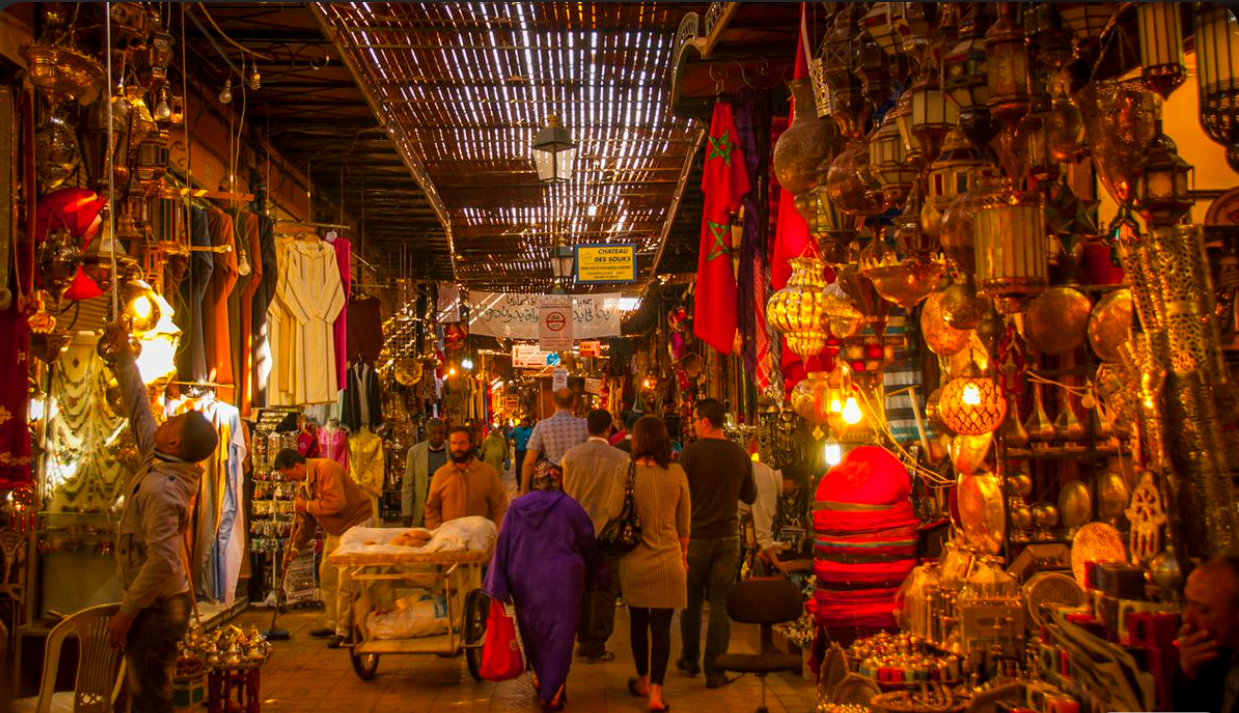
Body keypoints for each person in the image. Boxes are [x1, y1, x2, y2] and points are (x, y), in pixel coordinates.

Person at [103, 323, 218, 713]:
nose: (161, 421)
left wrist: (127, 611)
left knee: (151, 698)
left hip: (157, 607)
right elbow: (138, 409)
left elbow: (162, 560)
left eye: (170, 423)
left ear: (175, 443)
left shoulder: (162, 489)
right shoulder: (160, 460)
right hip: (158, 601)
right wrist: (123, 356)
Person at [484, 465, 604, 712]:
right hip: (564, 582)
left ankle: (541, 678)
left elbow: (504, 541)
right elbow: (587, 541)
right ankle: (554, 692)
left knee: (533, 632)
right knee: (561, 636)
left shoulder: (518, 507)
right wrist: (596, 576)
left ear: (536, 481)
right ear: (559, 480)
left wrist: (497, 582)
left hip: (525, 581)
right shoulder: (569, 507)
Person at [606, 416, 690, 713]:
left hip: (635, 560)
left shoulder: (625, 471)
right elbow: (684, 524)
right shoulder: (678, 473)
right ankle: (656, 691)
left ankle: (642, 679)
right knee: (663, 627)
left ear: (637, 441)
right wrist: (683, 555)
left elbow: (613, 510)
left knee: (639, 623)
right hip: (669, 559)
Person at [676, 398, 756, 688]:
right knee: (720, 605)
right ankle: (716, 671)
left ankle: (689, 658)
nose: (693, 425)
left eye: (694, 420)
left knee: (691, 602)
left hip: (695, 537)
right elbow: (750, 496)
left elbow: (678, 493)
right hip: (727, 538)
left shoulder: (690, 454)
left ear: (705, 421)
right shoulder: (740, 454)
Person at [273, 448, 373, 648]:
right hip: (336, 529)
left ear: (297, 466)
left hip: (355, 524)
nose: (287, 479)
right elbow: (307, 524)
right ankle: (334, 622)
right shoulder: (303, 484)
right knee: (327, 573)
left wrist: (307, 506)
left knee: (346, 579)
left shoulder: (326, 469)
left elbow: (337, 503)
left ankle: (345, 630)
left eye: (287, 474)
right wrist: (294, 549)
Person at [561, 409, 630, 663]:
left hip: (577, 533)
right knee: (605, 589)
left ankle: (582, 637)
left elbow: (566, 492)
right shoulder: (622, 459)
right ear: (610, 427)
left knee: (580, 586)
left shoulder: (570, 458)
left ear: (587, 428)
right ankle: (597, 641)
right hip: (607, 533)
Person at [1176, 555, 1239, 713]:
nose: (1187, 617)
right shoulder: (1216, 652)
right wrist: (1189, 674)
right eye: (1187, 602)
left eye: (1202, 610)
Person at [423, 426, 509, 529]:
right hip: (449, 540)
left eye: (462, 443)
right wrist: (439, 533)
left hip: (481, 539)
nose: (457, 448)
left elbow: (500, 507)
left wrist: (496, 534)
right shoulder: (441, 475)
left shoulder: (488, 473)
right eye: (454, 443)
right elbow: (431, 509)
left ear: (471, 444)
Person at [521, 388, 588, 493]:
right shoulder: (585, 425)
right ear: (573, 402)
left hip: (552, 485)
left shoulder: (542, 426)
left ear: (553, 402)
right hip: (578, 483)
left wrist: (524, 489)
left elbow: (529, 462)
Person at [738, 457, 785, 576]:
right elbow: (763, 534)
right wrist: (778, 563)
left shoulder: (764, 470)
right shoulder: (769, 484)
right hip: (720, 525)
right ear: (791, 481)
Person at [402, 417, 447, 527]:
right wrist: (407, 512)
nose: (437, 436)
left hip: (446, 507)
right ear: (427, 434)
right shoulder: (415, 452)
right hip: (423, 509)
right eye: (433, 433)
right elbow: (408, 485)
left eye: (440, 433)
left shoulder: (451, 448)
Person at [510, 417, 535, 481]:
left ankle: (528, 482)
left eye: (526, 422)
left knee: (528, 467)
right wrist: (511, 443)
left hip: (528, 451)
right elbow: (508, 436)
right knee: (518, 468)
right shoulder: (516, 430)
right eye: (523, 421)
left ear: (528, 423)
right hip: (518, 451)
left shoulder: (531, 431)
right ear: (521, 422)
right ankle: (519, 484)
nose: (525, 423)